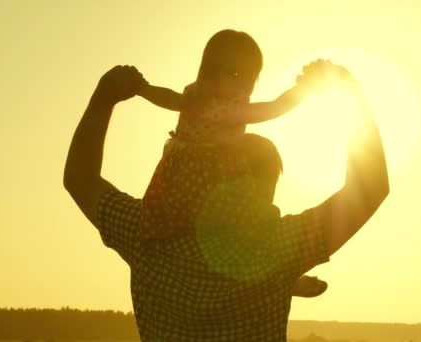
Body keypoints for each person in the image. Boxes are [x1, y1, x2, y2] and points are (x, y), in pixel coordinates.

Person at [63, 29, 389, 341]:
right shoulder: (275, 251)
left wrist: (105, 97)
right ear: (245, 181)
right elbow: (370, 188)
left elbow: (79, 178)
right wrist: (349, 92)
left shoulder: (147, 234)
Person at [130, 29, 326, 297]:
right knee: (253, 227)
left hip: (188, 192)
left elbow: (168, 98)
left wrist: (142, 89)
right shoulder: (216, 107)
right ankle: (283, 277)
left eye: (241, 77)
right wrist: (142, 88)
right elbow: (273, 107)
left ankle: (283, 277)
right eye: (213, 72)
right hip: (212, 192)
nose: (226, 82)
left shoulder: (200, 103)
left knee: (241, 234)